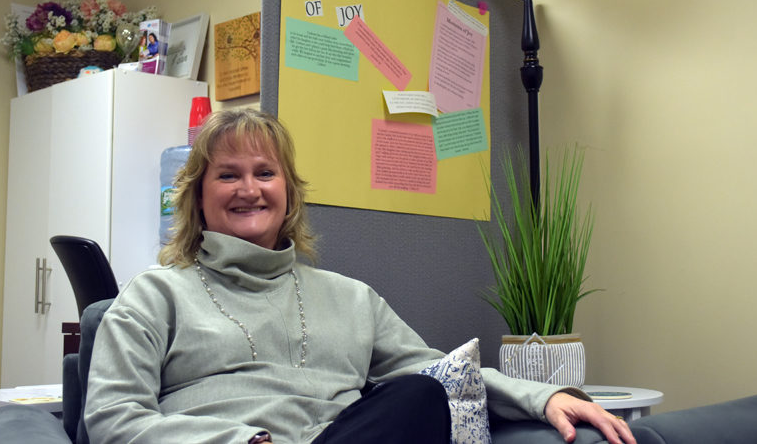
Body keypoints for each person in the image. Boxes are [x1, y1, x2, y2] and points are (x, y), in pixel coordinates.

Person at [84, 108, 635, 444]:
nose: (248, 189)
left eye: (264, 173)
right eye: (227, 175)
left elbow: (443, 373)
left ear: (289, 194)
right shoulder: (153, 295)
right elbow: (111, 419)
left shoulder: (352, 300)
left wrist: (544, 398)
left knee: (420, 396)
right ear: (198, 198)